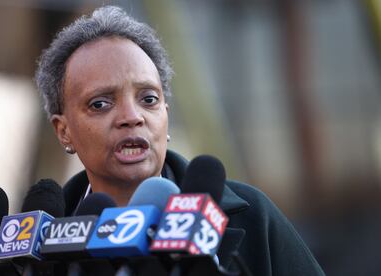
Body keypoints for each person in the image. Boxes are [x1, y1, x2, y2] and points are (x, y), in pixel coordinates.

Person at [35, 5, 324, 275]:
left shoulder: (252, 217)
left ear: (166, 115)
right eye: (100, 104)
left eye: (149, 99)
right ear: (64, 131)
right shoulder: (40, 250)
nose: (132, 117)